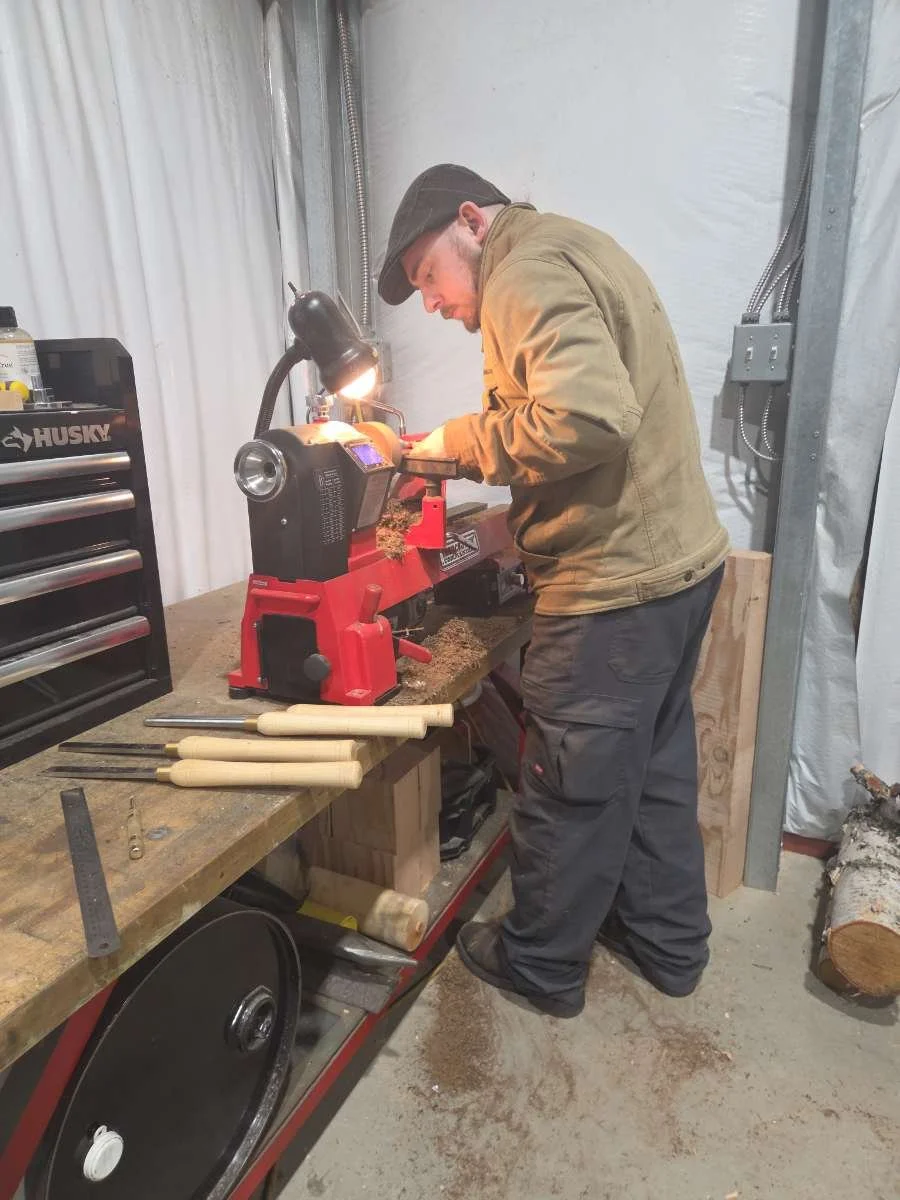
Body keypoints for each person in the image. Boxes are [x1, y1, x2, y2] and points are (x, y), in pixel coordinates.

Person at [377, 164, 730, 1017]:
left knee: (569, 786)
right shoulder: (577, 245)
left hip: (614, 589)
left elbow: (588, 417)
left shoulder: (522, 271)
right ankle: (667, 943)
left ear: (472, 222)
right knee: (651, 773)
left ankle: (539, 963)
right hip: (675, 570)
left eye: (428, 274)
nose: (430, 301)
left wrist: (448, 445)